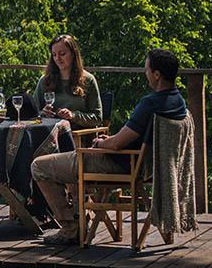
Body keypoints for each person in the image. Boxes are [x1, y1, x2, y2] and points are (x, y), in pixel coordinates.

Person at [31, 48, 188, 244]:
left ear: (157, 75)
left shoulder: (150, 103)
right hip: (149, 167)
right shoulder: (178, 102)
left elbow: (117, 144)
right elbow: (130, 137)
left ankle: (70, 228)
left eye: (147, 69)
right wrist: (111, 140)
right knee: (68, 162)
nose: (145, 73)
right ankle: (79, 219)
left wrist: (102, 142)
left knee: (39, 166)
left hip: (120, 164)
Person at [34, 34, 103, 128]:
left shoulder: (88, 80)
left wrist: (73, 116)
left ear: (73, 54)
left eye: (62, 54)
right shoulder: (45, 80)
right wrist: (42, 113)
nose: (58, 59)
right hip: (49, 134)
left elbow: (97, 118)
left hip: (78, 136)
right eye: (54, 55)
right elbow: (32, 113)